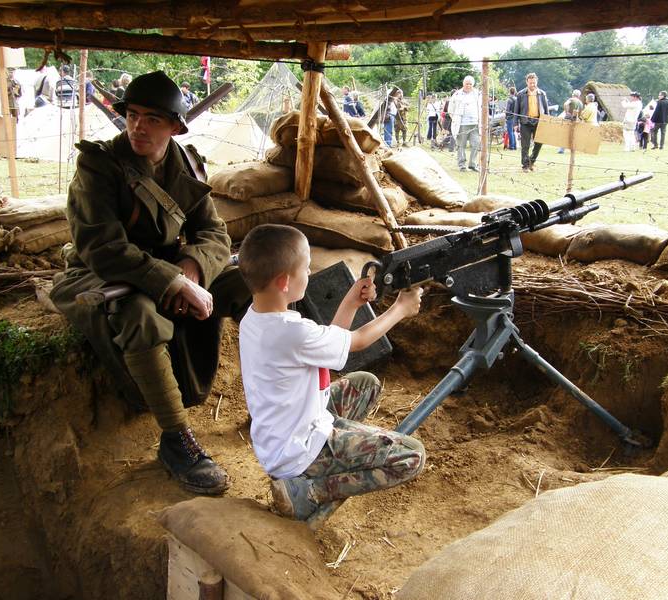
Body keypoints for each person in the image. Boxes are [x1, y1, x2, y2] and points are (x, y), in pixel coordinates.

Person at [50, 71, 252, 496]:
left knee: (250, 284)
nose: (138, 126)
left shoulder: (185, 162)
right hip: (103, 271)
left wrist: (192, 270)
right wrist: (172, 281)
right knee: (139, 315)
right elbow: (103, 248)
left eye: (153, 119)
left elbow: (213, 233)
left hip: (167, 267)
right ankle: (176, 439)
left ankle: (273, 401)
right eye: (133, 115)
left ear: (175, 127)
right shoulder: (99, 164)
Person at [237, 223, 426, 523]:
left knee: (365, 384)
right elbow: (358, 341)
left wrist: (351, 301)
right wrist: (400, 309)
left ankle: (334, 456)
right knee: (412, 455)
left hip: (283, 435)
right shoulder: (293, 333)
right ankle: (309, 491)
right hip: (299, 452)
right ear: (284, 282)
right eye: (306, 268)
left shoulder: (256, 319)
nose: (309, 272)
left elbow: (330, 342)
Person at [515, 72, 549, 172]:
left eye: (534, 83)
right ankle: (525, 165)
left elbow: (546, 110)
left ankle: (531, 161)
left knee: (539, 143)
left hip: (538, 121)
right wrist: (515, 124)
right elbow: (516, 110)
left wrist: (547, 122)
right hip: (525, 122)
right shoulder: (521, 94)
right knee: (525, 145)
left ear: (536, 82)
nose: (532, 85)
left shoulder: (542, 94)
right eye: (530, 83)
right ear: (527, 82)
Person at [448, 75, 481, 172]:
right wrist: (454, 119)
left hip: (475, 123)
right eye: (467, 84)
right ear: (463, 83)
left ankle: (472, 164)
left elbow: (482, 107)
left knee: (476, 144)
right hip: (461, 124)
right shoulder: (457, 95)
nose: (468, 85)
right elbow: (451, 109)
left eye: (470, 84)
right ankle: (462, 165)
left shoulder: (477, 94)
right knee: (461, 145)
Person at [557, 89, 583, 154]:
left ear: (573, 94)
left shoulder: (571, 99)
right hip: (575, 119)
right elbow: (580, 113)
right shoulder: (581, 103)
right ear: (579, 96)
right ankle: (572, 149)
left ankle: (561, 149)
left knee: (564, 134)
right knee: (572, 135)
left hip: (568, 118)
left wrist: (567, 112)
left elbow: (565, 104)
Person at [504, 86, 518, 151]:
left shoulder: (509, 100)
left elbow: (507, 110)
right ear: (514, 92)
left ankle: (511, 146)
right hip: (515, 117)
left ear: (509, 92)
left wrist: (505, 113)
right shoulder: (517, 99)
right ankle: (514, 146)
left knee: (510, 132)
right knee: (513, 132)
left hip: (510, 117)